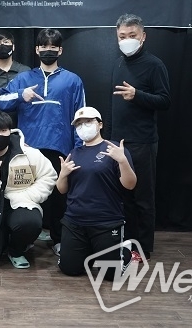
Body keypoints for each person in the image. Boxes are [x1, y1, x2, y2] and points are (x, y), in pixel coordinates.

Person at [0, 28, 85, 257]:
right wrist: (20, 95)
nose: (48, 50)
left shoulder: (72, 80)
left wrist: (78, 150)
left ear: (60, 50)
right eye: (44, 46)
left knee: (59, 197)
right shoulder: (24, 79)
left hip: (60, 147)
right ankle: (24, 239)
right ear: (36, 49)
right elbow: (0, 99)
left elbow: (80, 117)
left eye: (53, 46)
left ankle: (58, 239)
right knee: (25, 194)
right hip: (28, 150)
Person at [110, 14, 171, 262]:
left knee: (143, 198)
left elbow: (165, 100)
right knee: (123, 197)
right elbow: (115, 106)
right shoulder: (118, 63)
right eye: (122, 36)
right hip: (118, 142)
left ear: (143, 36)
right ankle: (126, 242)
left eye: (132, 35)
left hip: (143, 142)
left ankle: (143, 249)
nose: (127, 40)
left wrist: (138, 95)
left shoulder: (155, 65)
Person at [0, 110, 57, 269]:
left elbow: (49, 176)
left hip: (20, 204)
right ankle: (2, 240)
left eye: (3, 130)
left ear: (10, 131)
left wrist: (27, 196)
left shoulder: (28, 154)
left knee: (30, 222)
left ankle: (16, 250)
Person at [56, 106, 137, 280]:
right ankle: (90, 251)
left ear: (100, 124)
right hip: (75, 221)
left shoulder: (114, 149)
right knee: (69, 269)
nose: (83, 127)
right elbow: (62, 189)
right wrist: (62, 174)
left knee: (112, 275)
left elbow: (130, 185)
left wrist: (122, 161)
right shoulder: (74, 153)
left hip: (106, 221)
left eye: (88, 122)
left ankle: (125, 250)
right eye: (79, 124)